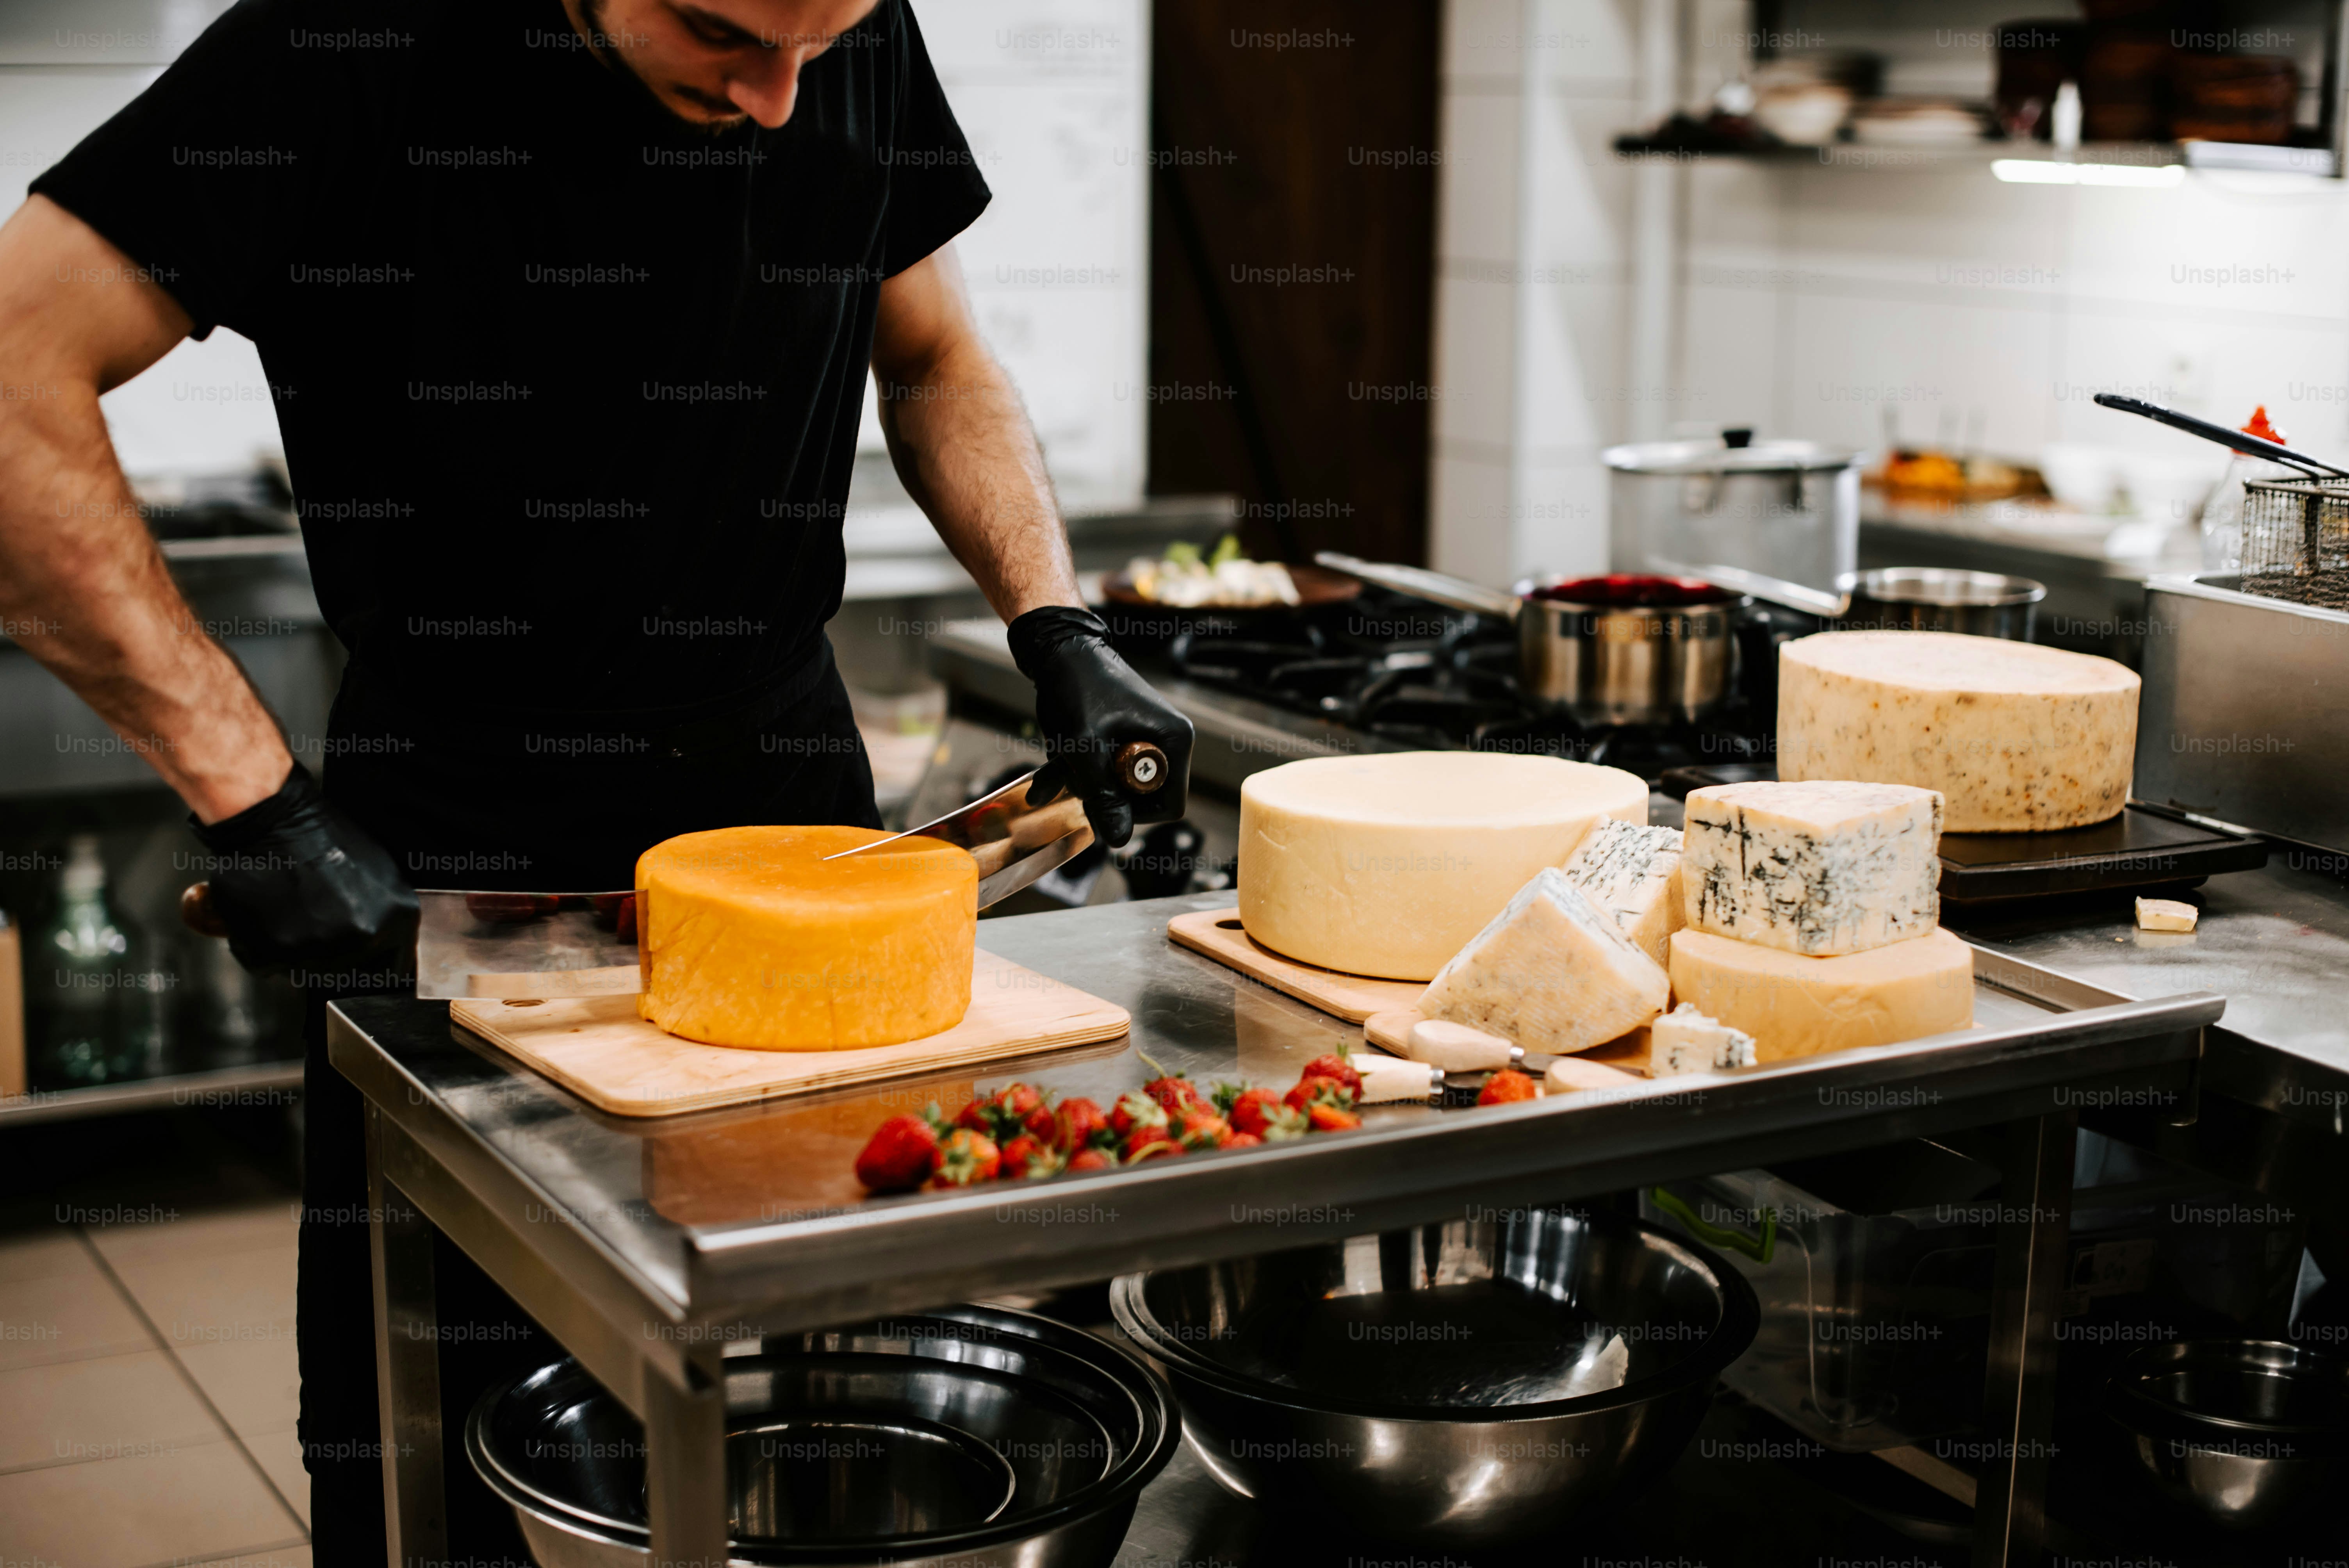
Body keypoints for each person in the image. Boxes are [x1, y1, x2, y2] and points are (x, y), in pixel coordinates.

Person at [0, 0, 1193, 1556]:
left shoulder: (837, 27)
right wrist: (253, 795)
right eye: (720, 32)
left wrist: (1059, 621)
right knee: (447, 1417)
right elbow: (17, 377)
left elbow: (936, 351)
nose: (778, 100)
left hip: (795, 814)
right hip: (459, 838)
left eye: (818, 48)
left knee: (817, 1393)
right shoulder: (334, 46)